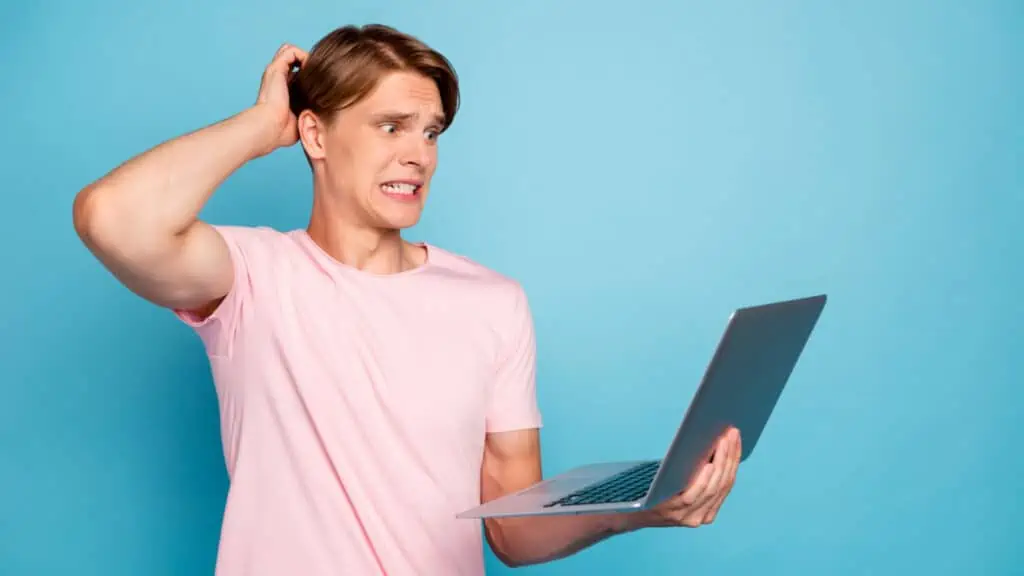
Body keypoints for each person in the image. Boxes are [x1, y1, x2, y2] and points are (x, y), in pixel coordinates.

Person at [73, 23, 742, 576]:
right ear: (314, 135)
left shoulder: (493, 303)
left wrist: (642, 510)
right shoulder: (251, 275)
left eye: (431, 131)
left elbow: (511, 532)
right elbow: (109, 216)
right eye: (391, 126)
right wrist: (258, 127)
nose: (419, 154)